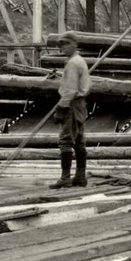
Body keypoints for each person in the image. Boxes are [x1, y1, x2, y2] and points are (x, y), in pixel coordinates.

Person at [51, 30, 91, 188]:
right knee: (79, 141)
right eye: (61, 45)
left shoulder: (73, 63)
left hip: (72, 104)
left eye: (67, 44)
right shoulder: (79, 60)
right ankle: (80, 177)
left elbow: (71, 90)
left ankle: (65, 177)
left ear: (75, 44)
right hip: (80, 104)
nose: (64, 48)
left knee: (65, 141)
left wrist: (61, 107)